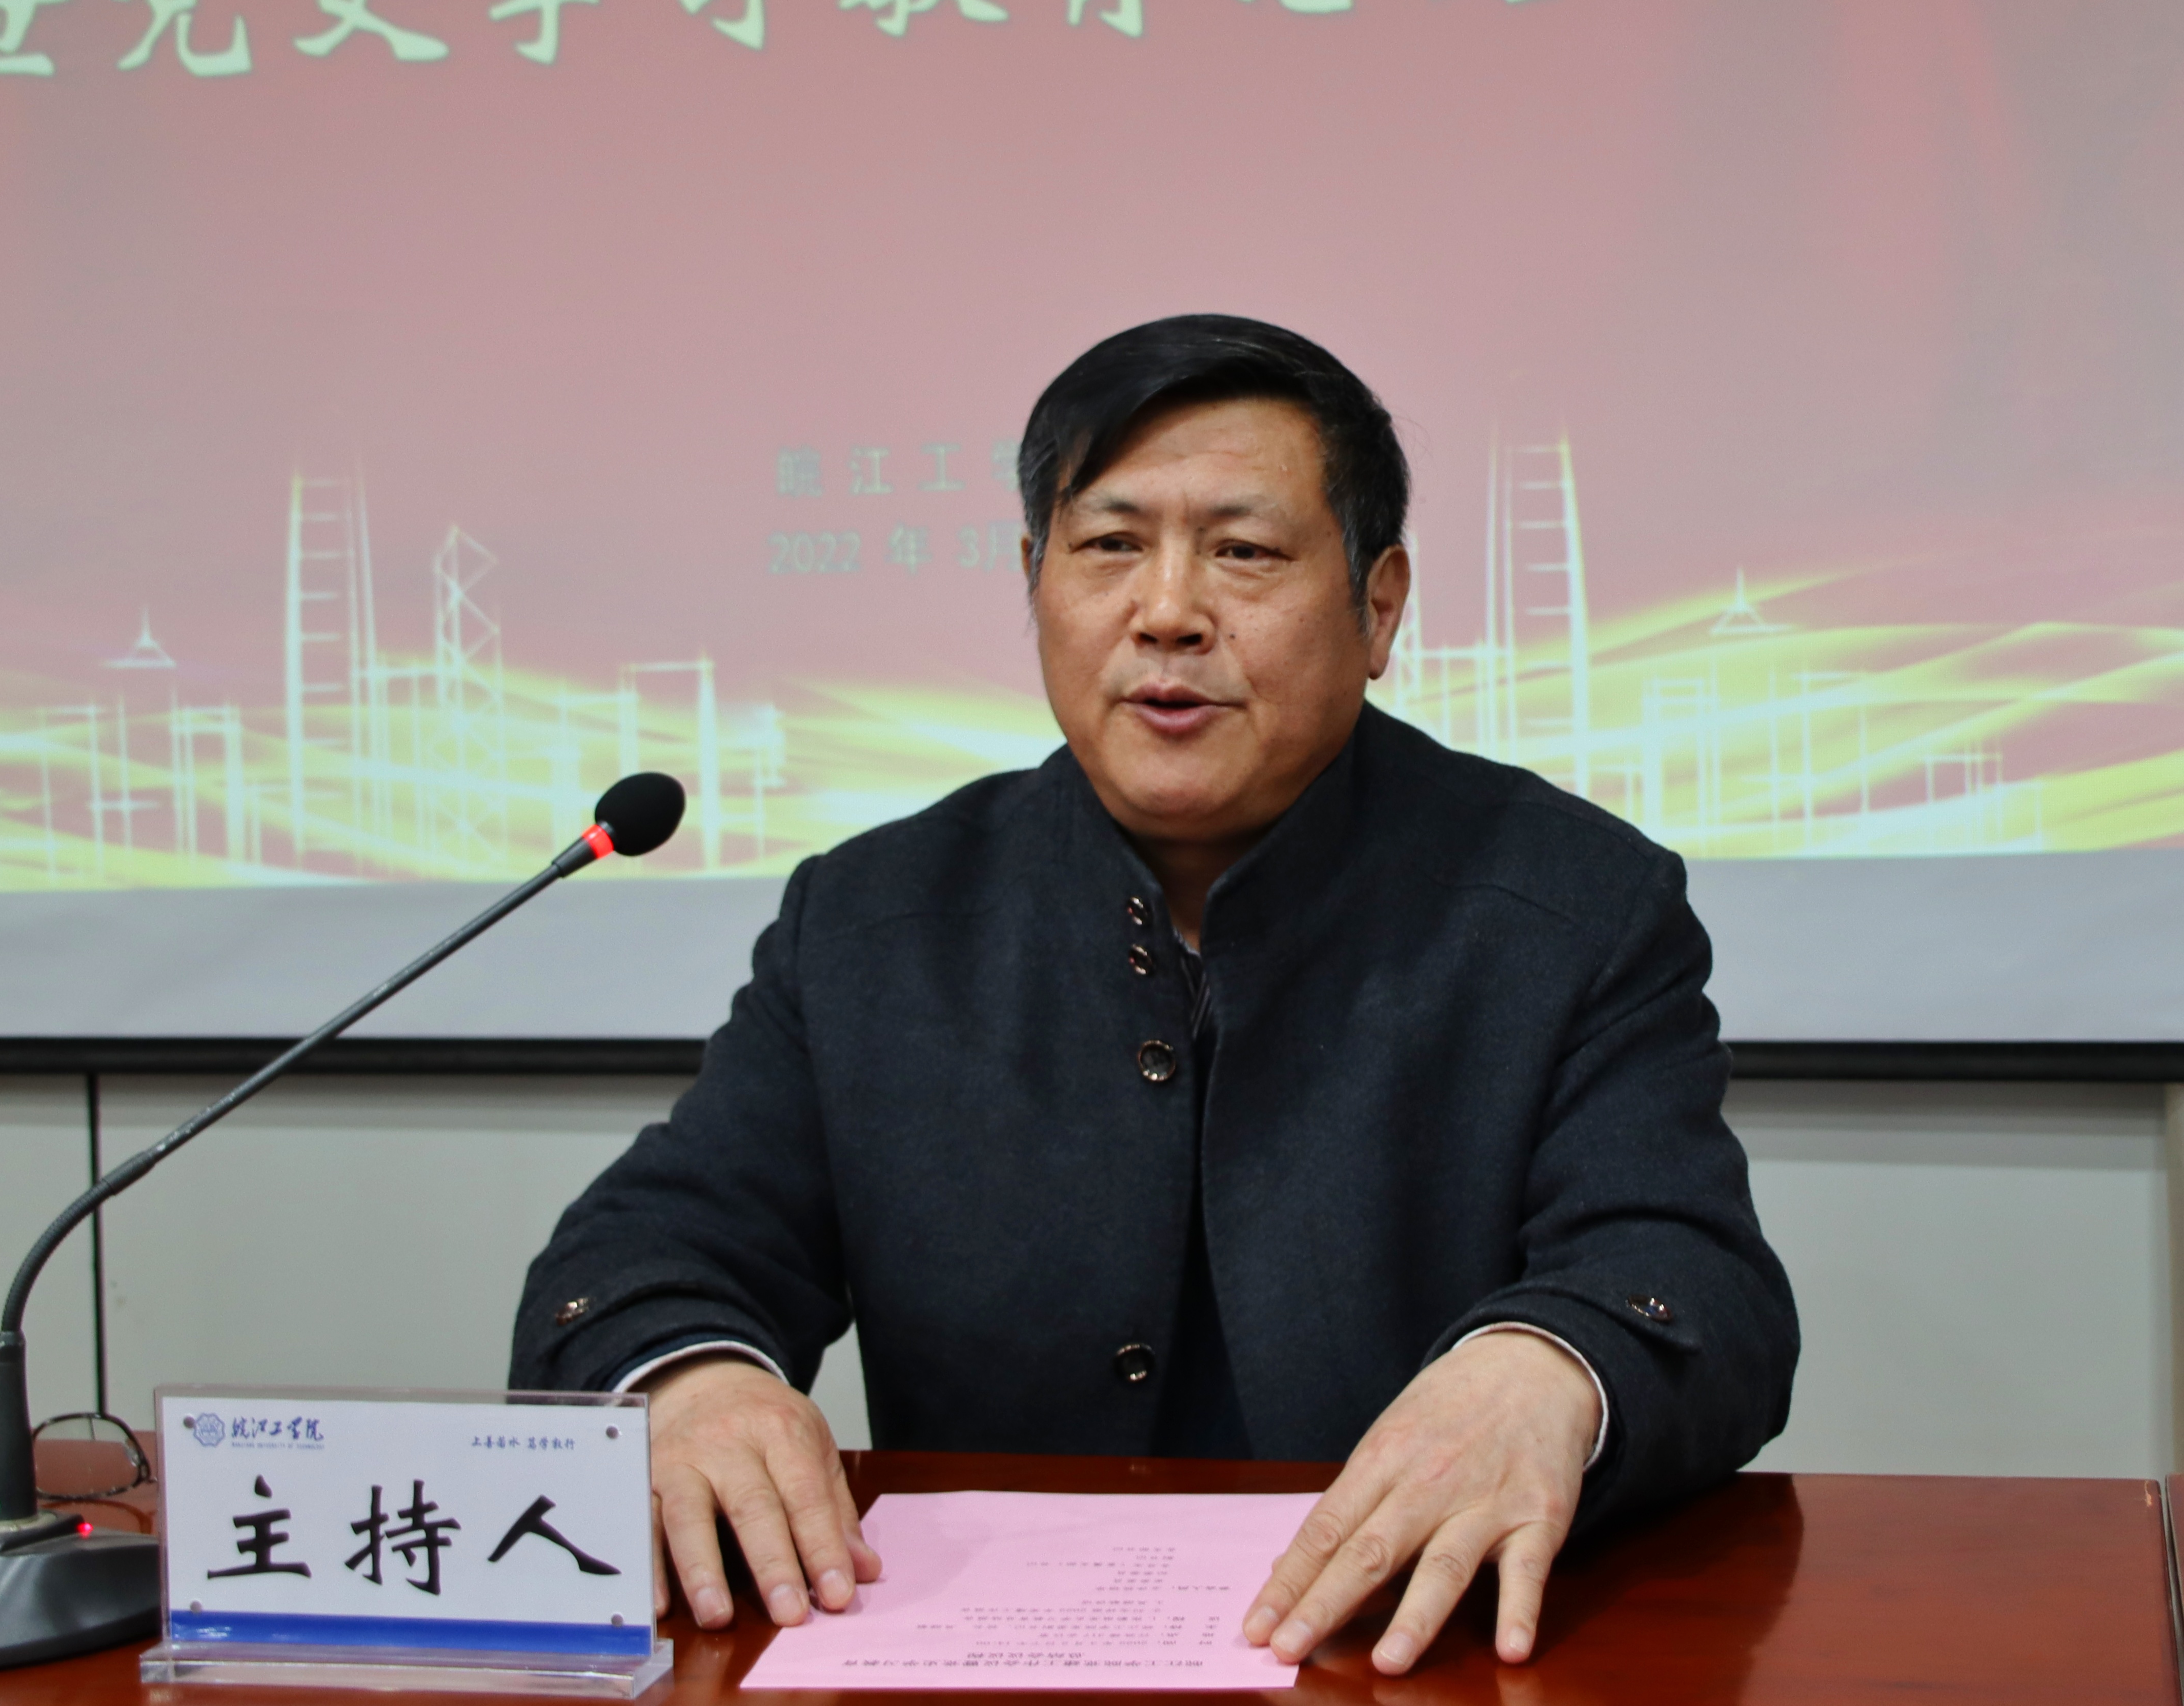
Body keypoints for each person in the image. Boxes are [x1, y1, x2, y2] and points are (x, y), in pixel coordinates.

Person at [514, 315, 1796, 1674]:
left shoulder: (1572, 903)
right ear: (1035, 582)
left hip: (1405, 1659)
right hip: (983, 1676)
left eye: (1244, 552)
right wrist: (690, 1380)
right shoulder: (875, 920)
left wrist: (1551, 1366)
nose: (1168, 611)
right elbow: (642, 1253)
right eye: (1111, 546)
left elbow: (1690, 1275)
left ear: (1378, 606)